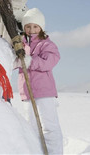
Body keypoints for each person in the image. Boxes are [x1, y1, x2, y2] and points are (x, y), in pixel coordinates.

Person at [15, 8, 63, 154]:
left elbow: (49, 62)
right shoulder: (20, 45)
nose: (31, 30)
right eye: (28, 26)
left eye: (35, 26)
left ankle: (54, 152)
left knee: (49, 126)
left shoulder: (46, 44)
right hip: (27, 92)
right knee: (32, 127)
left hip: (44, 91)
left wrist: (30, 61)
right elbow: (14, 61)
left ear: (41, 27)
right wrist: (16, 60)